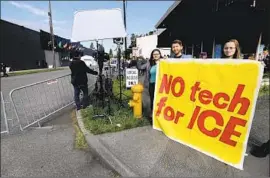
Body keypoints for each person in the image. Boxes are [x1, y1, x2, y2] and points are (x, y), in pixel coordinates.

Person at [137, 49, 163, 124]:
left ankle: (161, 116)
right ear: (152, 55)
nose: (155, 55)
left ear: (160, 54)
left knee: (160, 100)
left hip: (160, 85)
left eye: (157, 54)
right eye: (154, 54)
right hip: (151, 84)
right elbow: (140, 67)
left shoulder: (163, 63)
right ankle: (153, 116)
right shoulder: (149, 63)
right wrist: (139, 59)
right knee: (153, 100)